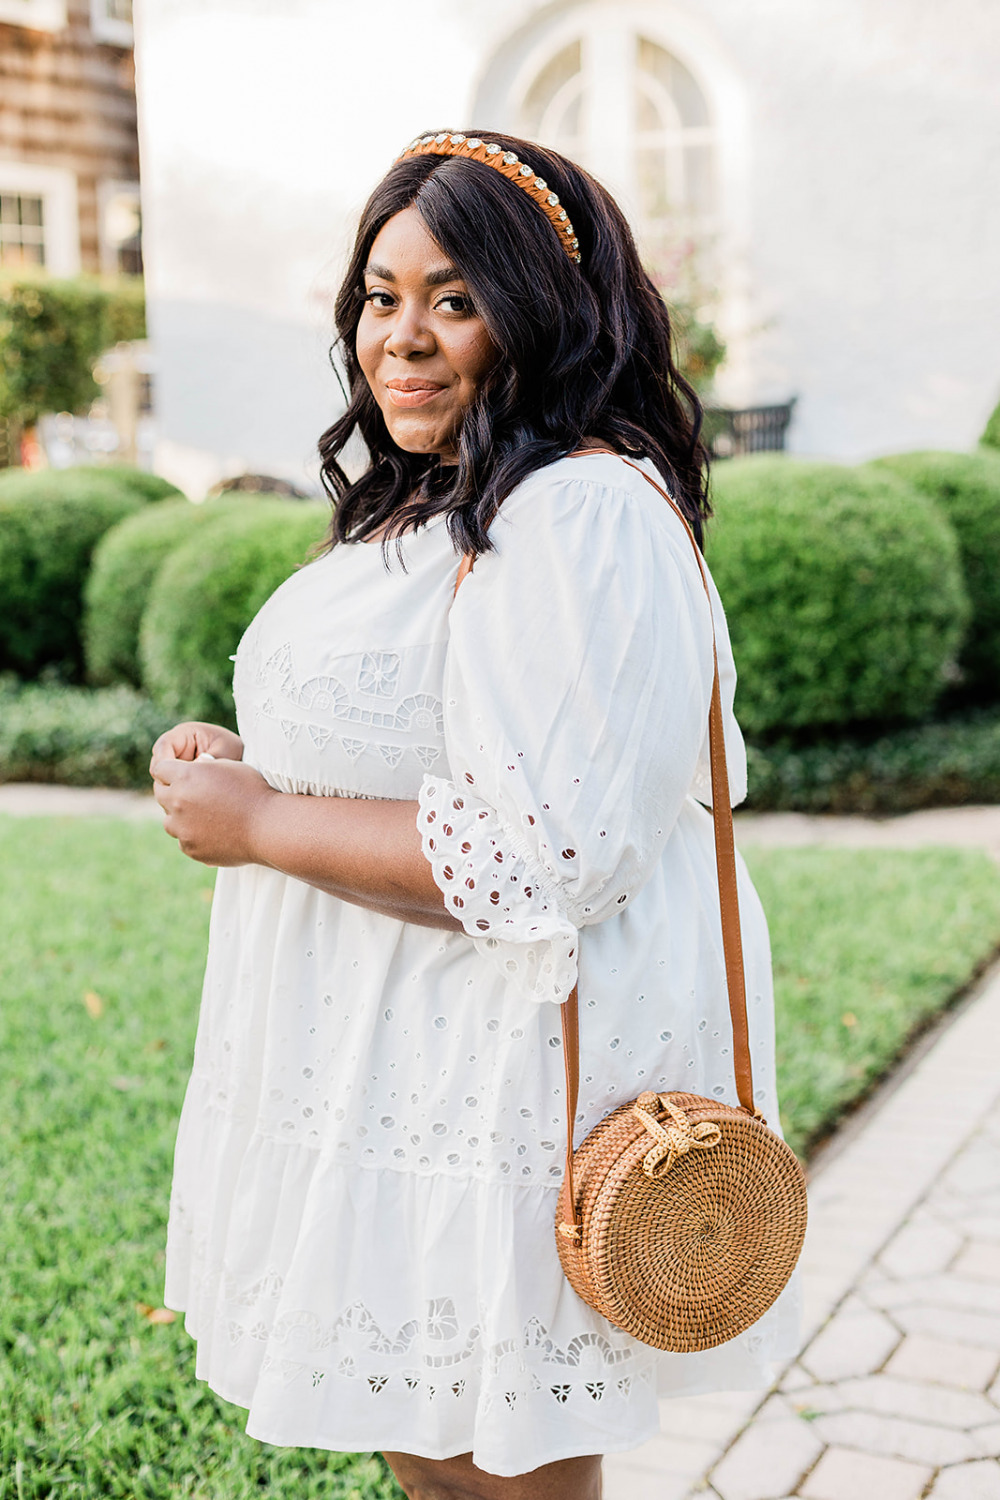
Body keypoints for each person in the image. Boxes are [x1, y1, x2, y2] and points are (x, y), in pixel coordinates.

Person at [150, 129, 799, 1500]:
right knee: (435, 1459)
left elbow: (544, 853)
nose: (406, 336)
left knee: (496, 1474)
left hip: (500, 1075)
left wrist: (261, 824)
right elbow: (427, 738)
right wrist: (256, 763)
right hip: (400, 1063)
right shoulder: (440, 497)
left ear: (547, 311)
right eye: (383, 297)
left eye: (457, 297)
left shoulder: (581, 512)